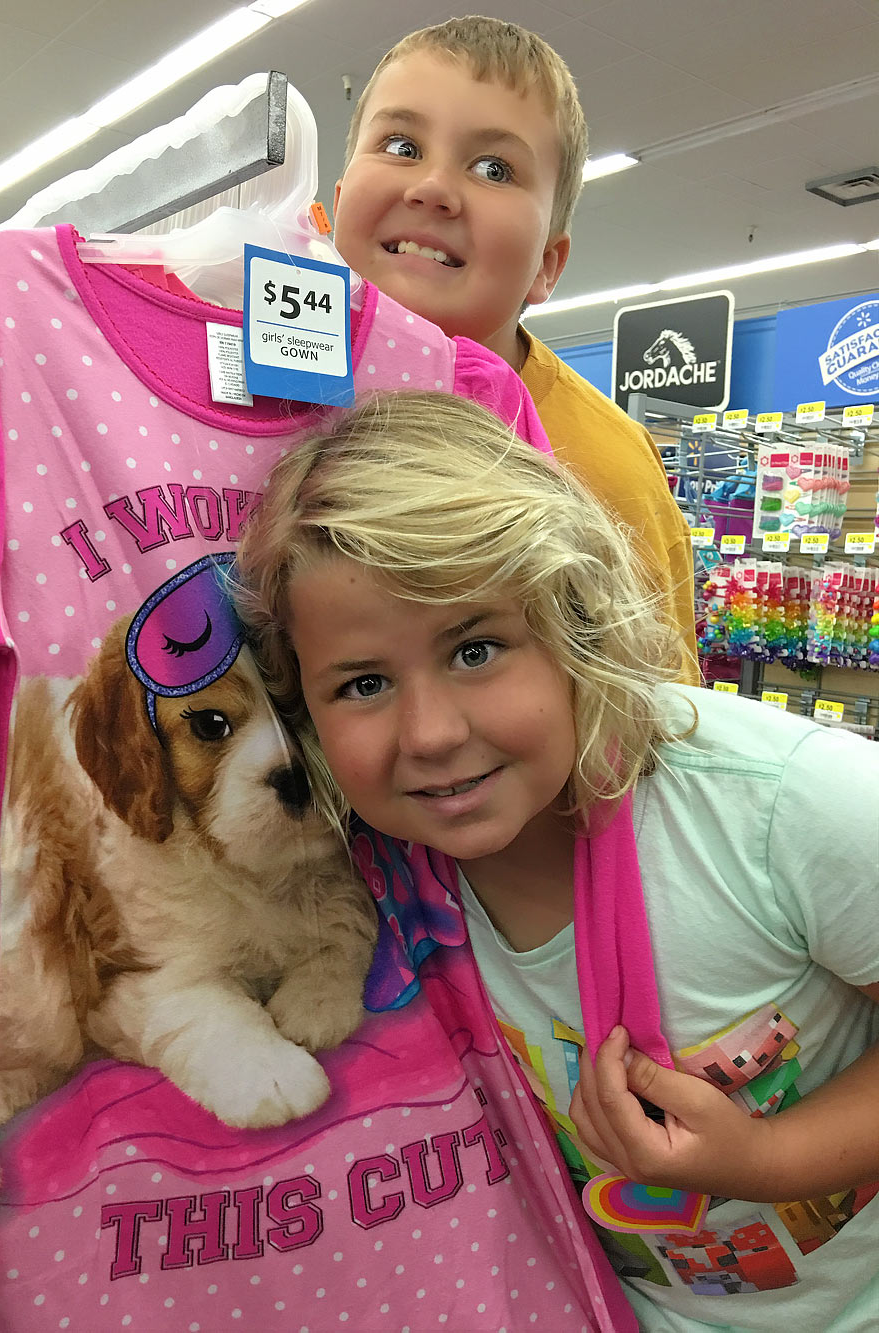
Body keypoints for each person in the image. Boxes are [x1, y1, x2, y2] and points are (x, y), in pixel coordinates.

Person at [236, 390, 879, 1333]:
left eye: (476, 649)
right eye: (364, 683)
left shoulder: (779, 802)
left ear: (574, 624)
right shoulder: (372, 882)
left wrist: (766, 1162)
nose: (431, 734)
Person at [332, 14, 701, 686]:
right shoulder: (259, 400)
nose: (433, 187)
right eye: (400, 144)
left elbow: (657, 726)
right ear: (333, 209)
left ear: (547, 266)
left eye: (494, 167)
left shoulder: (605, 469)